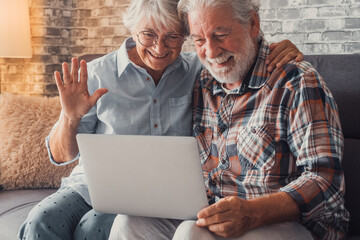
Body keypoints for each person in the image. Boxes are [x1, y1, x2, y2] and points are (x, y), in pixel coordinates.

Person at [18, 0, 303, 239]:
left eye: (172, 37)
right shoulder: (95, 74)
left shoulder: (198, 71)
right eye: (148, 35)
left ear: (183, 36)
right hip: (91, 186)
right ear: (131, 30)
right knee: (40, 220)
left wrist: (279, 46)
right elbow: (62, 154)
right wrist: (70, 117)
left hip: (160, 194)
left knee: (92, 228)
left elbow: (236, 56)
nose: (159, 47)